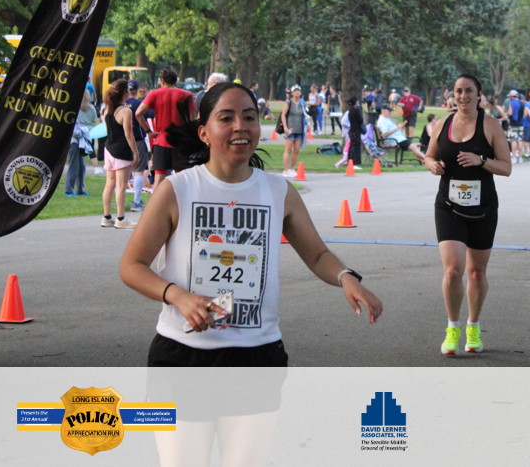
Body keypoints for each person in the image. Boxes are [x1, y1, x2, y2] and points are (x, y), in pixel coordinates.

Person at [119, 82, 382, 369]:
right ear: (204, 133)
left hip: (259, 353)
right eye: (226, 118)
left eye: (249, 117)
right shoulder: (176, 189)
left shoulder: (279, 192)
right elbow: (132, 266)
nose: (240, 127)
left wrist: (346, 277)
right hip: (183, 352)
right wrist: (178, 296)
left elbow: (318, 255)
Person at [424, 74, 511, 356]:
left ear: (478, 95)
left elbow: (506, 167)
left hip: (483, 208)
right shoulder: (442, 124)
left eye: (469, 91)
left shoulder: (490, 125)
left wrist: (481, 161)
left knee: (476, 272)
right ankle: (452, 328)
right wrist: (432, 165)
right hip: (448, 206)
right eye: (458, 91)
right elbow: (429, 156)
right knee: (453, 270)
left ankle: (473, 326)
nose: (463, 96)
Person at [136, 67, 194, 185]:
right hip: (180, 141)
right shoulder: (187, 95)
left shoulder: (155, 94)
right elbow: (191, 120)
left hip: (161, 140)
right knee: (181, 178)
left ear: (162, 80)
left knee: (159, 178)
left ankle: (156, 198)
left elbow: (138, 113)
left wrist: (148, 131)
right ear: (175, 80)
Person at [101, 79, 140, 228]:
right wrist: (135, 152)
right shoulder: (125, 111)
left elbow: (108, 129)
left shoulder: (107, 110)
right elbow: (128, 134)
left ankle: (106, 216)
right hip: (121, 150)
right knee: (121, 185)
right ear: (125, 93)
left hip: (108, 149)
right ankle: (121, 218)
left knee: (109, 184)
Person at [64, 89, 98, 196]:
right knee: (76, 165)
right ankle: (69, 190)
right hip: (81, 139)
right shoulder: (91, 108)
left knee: (80, 165)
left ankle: (80, 189)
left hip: (77, 139)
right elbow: (95, 121)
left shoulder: (74, 108)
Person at [124, 79, 151, 211]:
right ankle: (136, 202)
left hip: (123, 141)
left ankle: (120, 201)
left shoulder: (121, 104)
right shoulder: (138, 104)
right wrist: (148, 131)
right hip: (137, 140)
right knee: (138, 170)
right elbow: (148, 115)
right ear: (137, 90)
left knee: (123, 171)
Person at [279, 85, 305, 178]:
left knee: (296, 150)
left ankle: (292, 168)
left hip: (300, 129)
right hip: (290, 129)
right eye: (295, 91)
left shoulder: (302, 103)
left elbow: (305, 115)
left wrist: (308, 125)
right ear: (292, 93)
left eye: (298, 90)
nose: (297, 92)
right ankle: (286, 170)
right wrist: (285, 127)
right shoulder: (289, 102)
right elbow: (283, 114)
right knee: (288, 149)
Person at [346, 96, 364, 170]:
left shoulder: (350, 110)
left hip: (352, 130)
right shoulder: (356, 110)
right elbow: (360, 120)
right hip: (356, 130)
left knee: (352, 146)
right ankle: (355, 162)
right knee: (355, 146)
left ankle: (350, 161)